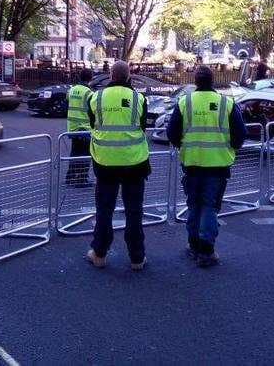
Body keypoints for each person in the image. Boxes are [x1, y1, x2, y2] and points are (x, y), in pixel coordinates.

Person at [166, 66, 246, 267]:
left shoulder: (185, 102)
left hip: (192, 164)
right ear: (213, 81)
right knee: (210, 206)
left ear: (196, 81)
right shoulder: (226, 103)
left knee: (194, 205)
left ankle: (193, 244)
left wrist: (183, 145)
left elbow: (172, 132)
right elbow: (239, 136)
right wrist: (231, 146)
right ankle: (206, 250)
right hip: (217, 165)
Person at [85, 60, 150, 271]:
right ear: (129, 76)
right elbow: (142, 125)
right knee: (134, 212)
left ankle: (99, 254)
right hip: (134, 162)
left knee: (104, 210)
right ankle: (137, 259)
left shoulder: (96, 97)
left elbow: (93, 122)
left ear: (111, 76)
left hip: (105, 163)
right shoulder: (139, 98)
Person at [65, 68, 93, 187]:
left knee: (75, 152)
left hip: (72, 128)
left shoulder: (71, 90)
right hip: (85, 129)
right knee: (85, 155)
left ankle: (70, 177)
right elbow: (93, 111)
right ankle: (81, 179)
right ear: (90, 79)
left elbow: (67, 102)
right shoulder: (89, 93)